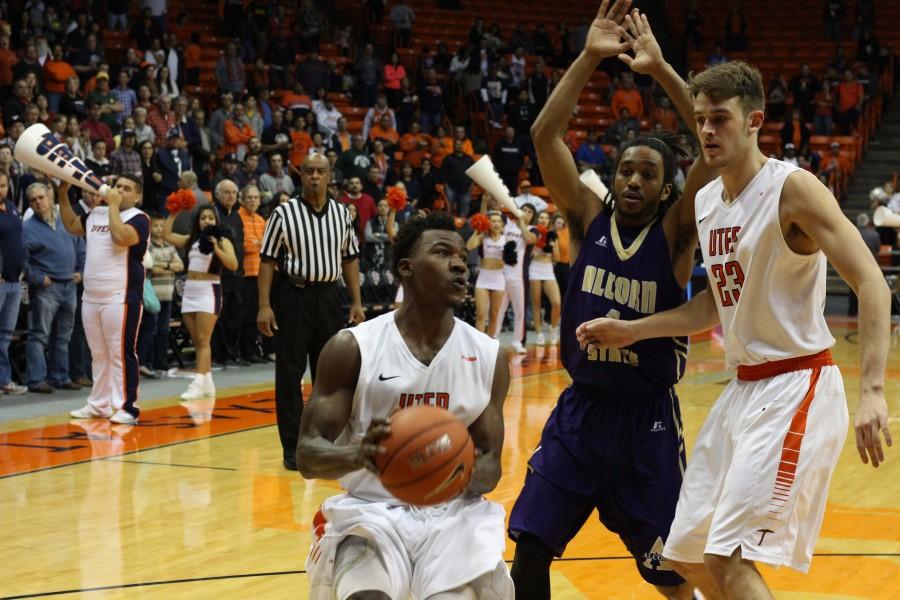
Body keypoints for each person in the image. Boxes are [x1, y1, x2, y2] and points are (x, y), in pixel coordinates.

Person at [576, 57, 892, 600]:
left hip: (797, 384)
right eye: (699, 119)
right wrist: (634, 330)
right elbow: (716, 305)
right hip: (743, 389)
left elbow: (872, 283)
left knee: (727, 556)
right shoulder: (705, 201)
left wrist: (873, 392)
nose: (706, 130)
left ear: (753, 121)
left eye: (719, 118)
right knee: (686, 557)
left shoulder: (793, 190)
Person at [510, 4, 718, 599]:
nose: (632, 180)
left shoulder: (677, 233)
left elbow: (713, 155)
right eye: (625, 169)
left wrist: (662, 72)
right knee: (530, 548)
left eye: (647, 174)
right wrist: (588, 58)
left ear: (666, 187)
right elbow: (544, 136)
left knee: (669, 574)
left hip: (646, 423)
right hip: (580, 416)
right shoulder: (584, 216)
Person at [297, 211, 512, 599]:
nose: (460, 264)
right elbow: (309, 455)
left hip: (454, 516)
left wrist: (445, 468)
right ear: (406, 269)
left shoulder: (488, 356)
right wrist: (362, 455)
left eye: (463, 256)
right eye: (443, 252)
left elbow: (490, 464)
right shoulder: (352, 347)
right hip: (372, 511)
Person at [257, 153, 366, 471]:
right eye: (309, 172)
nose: (315, 177)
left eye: (321, 172)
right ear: (300, 175)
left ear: (330, 174)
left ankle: (324, 440)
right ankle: (293, 448)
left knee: (329, 373)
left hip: (330, 296)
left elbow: (350, 259)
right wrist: (264, 305)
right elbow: (267, 261)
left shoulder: (341, 214)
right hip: (293, 295)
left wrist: (356, 302)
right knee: (289, 373)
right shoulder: (283, 213)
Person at [62, 175, 150, 424]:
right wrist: (63, 193)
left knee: (121, 353)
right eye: (118, 186)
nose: (120, 190)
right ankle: (99, 404)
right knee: (98, 354)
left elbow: (121, 237)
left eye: (127, 188)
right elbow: (70, 224)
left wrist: (112, 205)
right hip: (91, 297)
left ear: (138, 196)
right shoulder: (95, 214)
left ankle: (128, 406)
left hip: (121, 297)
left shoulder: (139, 218)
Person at [163, 203, 239, 400]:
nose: (207, 221)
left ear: (216, 220)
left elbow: (233, 264)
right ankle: (207, 382)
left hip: (209, 291)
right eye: (203, 217)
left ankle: (197, 382)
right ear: (198, 220)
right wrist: (173, 213)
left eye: (210, 218)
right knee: (198, 341)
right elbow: (166, 235)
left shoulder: (222, 240)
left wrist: (216, 249)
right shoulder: (192, 240)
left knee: (204, 341)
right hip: (189, 291)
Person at [22, 183, 83, 393]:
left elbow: (80, 247)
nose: (38, 202)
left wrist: (81, 271)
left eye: (41, 197)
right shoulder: (27, 228)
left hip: (69, 285)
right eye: (33, 200)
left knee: (63, 336)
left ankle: (60, 376)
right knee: (39, 334)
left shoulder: (65, 220)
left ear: (50, 196)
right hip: (46, 289)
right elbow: (22, 261)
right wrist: (38, 279)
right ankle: (37, 380)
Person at [490, 201, 537, 354]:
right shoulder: (508, 224)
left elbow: (529, 239)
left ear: (533, 216)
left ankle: (517, 341)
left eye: (529, 211)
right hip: (501, 273)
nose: (526, 212)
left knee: (519, 310)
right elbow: (493, 219)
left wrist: (522, 221)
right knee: (498, 308)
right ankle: (493, 338)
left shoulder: (533, 229)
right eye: (524, 209)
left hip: (519, 276)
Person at [142, 214, 184, 376]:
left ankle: (162, 362)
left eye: (162, 226)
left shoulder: (169, 245)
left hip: (168, 294)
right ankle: (148, 362)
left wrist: (164, 266)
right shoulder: (149, 246)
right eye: (156, 226)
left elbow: (180, 266)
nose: (159, 229)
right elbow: (152, 268)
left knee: (164, 330)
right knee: (151, 330)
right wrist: (168, 267)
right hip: (154, 296)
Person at [0, 172, 27, 395]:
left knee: (6, 334)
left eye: (3, 185)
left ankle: (4, 380)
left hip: (14, 281)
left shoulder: (11, 208)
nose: (1, 189)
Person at [237, 184, 268, 363]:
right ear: (243, 199)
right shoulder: (238, 218)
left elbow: (267, 246)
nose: (253, 201)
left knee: (254, 314)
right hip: (245, 274)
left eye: (256, 198)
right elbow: (245, 246)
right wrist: (258, 243)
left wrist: (258, 243)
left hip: (260, 274)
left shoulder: (260, 219)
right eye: (249, 197)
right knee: (242, 315)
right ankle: (242, 350)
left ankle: (252, 350)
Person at [467, 209, 507, 336]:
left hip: (498, 278)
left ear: (502, 225)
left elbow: (513, 260)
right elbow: (469, 246)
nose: (495, 224)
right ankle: (480, 344)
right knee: (480, 314)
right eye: (493, 221)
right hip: (483, 278)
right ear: (488, 223)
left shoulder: (506, 240)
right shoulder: (483, 237)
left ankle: (491, 343)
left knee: (494, 315)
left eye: (498, 221)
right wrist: (477, 230)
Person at [528, 210, 561, 345]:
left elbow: (557, 258)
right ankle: (539, 333)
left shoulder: (553, 235)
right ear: (537, 219)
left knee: (557, 302)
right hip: (535, 268)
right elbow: (527, 254)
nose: (543, 219)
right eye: (541, 217)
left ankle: (553, 328)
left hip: (548, 269)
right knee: (536, 304)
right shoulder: (532, 232)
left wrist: (552, 247)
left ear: (549, 221)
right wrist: (536, 246)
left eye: (546, 218)